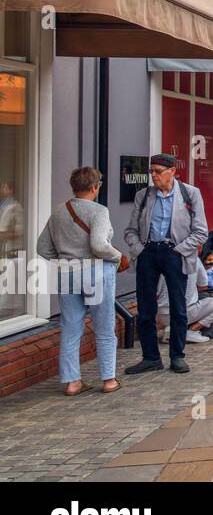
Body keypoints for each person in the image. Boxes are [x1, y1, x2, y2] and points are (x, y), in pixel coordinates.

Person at [36, 167, 126, 396]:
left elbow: (42, 248)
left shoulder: (58, 212)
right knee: (104, 327)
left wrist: (66, 259)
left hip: (67, 273)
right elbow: (98, 245)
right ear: (95, 187)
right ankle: (108, 380)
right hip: (96, 272)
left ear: (73, 187)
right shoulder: (99, 211)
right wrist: (118, 257)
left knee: (70, 328)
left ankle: (72, 381)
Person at [123, 153, 209, 375]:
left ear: (172, 172)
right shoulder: (143, 196)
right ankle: (150, 357)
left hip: (176, 252)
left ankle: (177, 356)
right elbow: (130, 230)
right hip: (148, 252)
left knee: (178, 308)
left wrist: (180, 250)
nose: (153, 176)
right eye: (151, 171)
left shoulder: (190, 194)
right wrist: (139, 250)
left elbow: (201, 232)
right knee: (145, 309)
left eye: (158, 172)